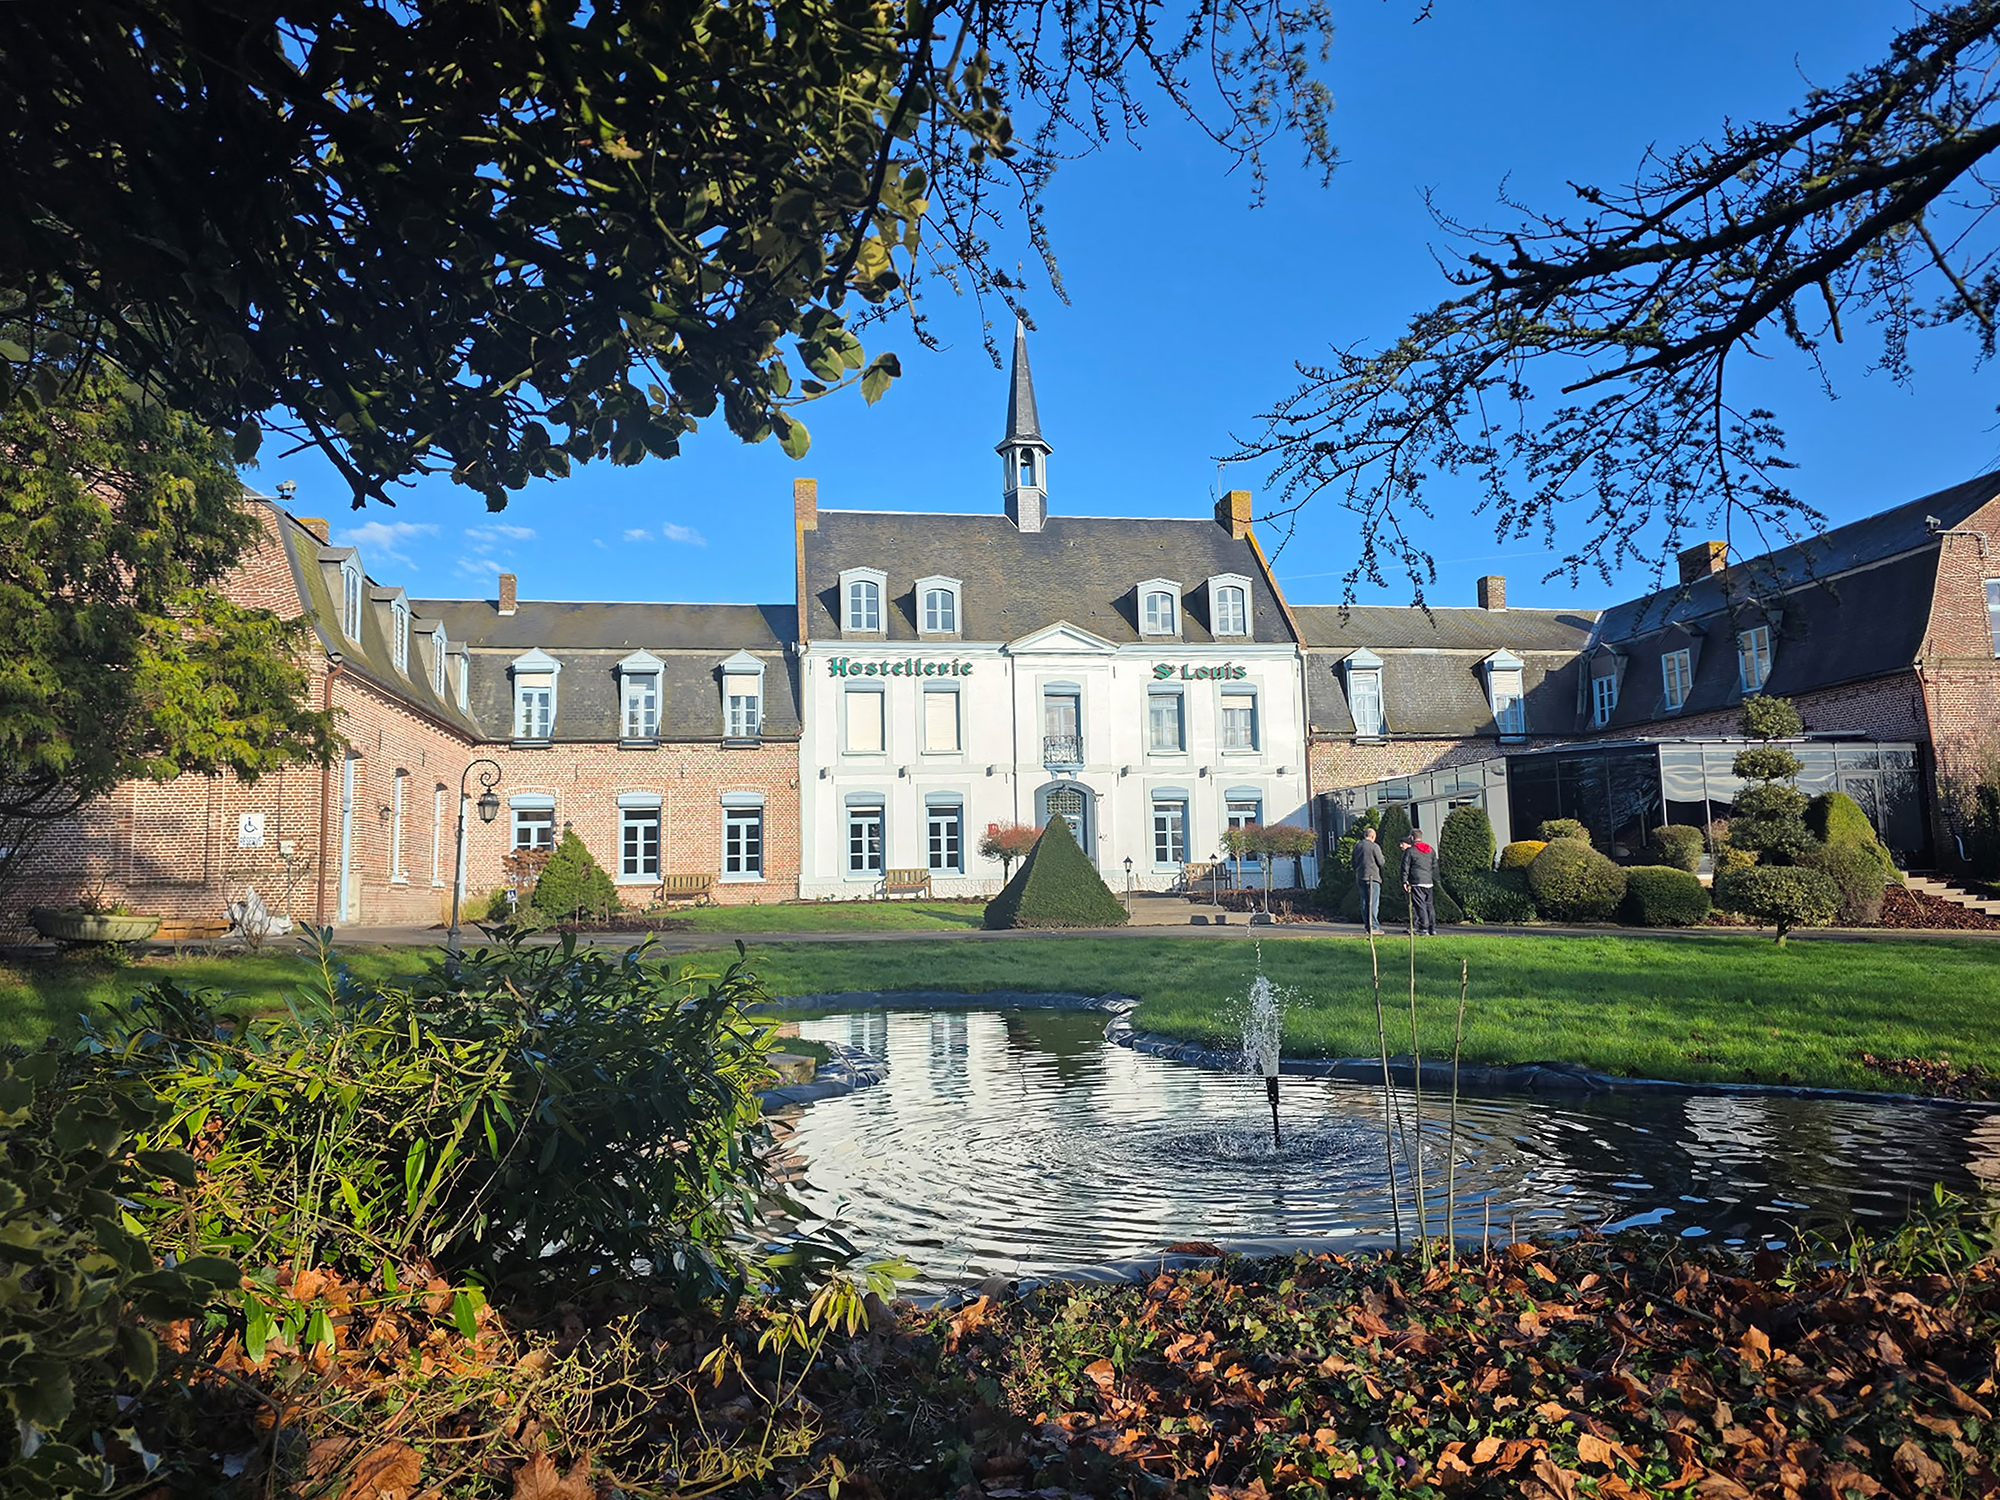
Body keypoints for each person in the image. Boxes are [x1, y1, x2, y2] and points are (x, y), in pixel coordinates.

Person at [1400, 832, 1439, 936]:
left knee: (1420, 905)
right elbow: (1434, 866)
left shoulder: (1410, 851)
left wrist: (1404, 881)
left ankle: (1423, 928)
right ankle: (1432, 928)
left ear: (1412, 838)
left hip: (1416, 881)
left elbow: (1405, 867)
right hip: (1428, 881)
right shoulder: (1430, 850)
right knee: (1429, 905)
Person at [1350, 826, 1385, 934]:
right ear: (1373, 836)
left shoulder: (1357, 846)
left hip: (1360, 876)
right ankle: (1374, 926)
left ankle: (1367, 926)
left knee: (1364, 902)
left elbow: (1353, 863)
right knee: (1373, 903)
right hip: (1372, 877)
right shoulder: (1374, 846)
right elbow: (1381, 862)